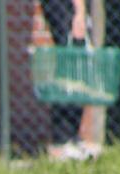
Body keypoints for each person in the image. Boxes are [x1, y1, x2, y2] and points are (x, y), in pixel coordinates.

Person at [40, 0, 99, 159]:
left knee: (77, 67)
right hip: (64, 6)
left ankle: (72, 136)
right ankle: (61, 141)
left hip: (69, 7)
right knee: (70, 66)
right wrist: (79, 13)